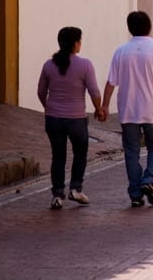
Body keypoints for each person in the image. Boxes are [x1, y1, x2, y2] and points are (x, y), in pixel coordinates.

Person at [103, 11, 153, 208]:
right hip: (152, 110)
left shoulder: (120, 51)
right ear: (149, 27)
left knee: (131, 151)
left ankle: (136, 193)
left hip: (127, 110)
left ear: (129, 29)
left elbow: (111, 82)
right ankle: (149, 180)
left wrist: (104, 105)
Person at [37, 27, 103, 210]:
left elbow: (41, 92)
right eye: (80, 41)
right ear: (75, 44)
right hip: (76, 120)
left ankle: (58, 194)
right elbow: (94, 91)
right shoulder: (85, 65)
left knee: (58, 156)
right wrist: (99, 109)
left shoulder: (49, 65)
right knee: (80, 153)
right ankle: (76, 188)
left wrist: (49, 107)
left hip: (53, 119)